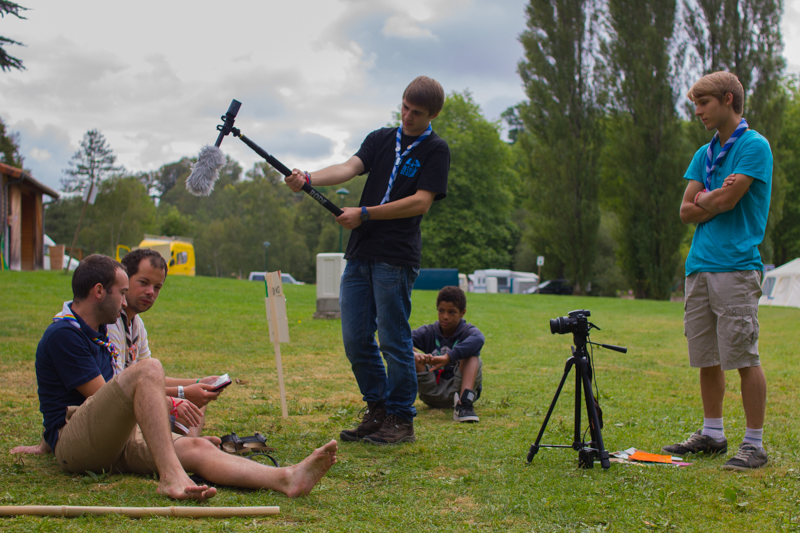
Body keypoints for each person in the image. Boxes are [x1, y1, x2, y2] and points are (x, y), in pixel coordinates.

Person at [13, 254, 337, 500]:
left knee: (197, 448)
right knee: (151, 369)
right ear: (99, 291)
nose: (128, 299)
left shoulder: (94, 330)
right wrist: (177, 396)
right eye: (123, 291)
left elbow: (80, 395)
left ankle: (287, 478)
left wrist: (185, 392)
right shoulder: (65, 335)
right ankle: (171, 476)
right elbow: (100, 398)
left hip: (107, 438)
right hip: (78, 446)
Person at [285, 76, 450, 444]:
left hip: (395, 257)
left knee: (393, 340)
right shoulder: (381, 138)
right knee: (356, 339)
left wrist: (365, 213)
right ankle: (378, 410)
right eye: (404, 107)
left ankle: (401, 418)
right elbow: (347, 167)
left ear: (433, 114)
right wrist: (309, 178)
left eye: (416, 112)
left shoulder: (436, 149)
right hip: (360, 254)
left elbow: (421, 202)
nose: (407, 116)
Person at [663, 71, 772, 470]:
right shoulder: (702, 154)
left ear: (728, 99)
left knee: (743, 356)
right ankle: (712, 434)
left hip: (736, 266)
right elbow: (684, 210)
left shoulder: (754, 146)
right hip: (699, 267)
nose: (698, 112)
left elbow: (727, 201)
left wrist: (709, 198)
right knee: (706, 356)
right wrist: (715, 195)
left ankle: (755, 444)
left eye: (703, 104)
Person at [412, 286, 484, 423]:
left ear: (462, 312)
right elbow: (400, 340)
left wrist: (448, 357)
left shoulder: (467, 331)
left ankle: (464, 406)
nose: (445, 316)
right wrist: (413, 354)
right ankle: (395, 401)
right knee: (407, 353)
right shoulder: (428, 331)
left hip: (458, 390)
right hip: (431, 391)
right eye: (441, 311)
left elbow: (479, 339)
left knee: (473, 355)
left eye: (452, 312)